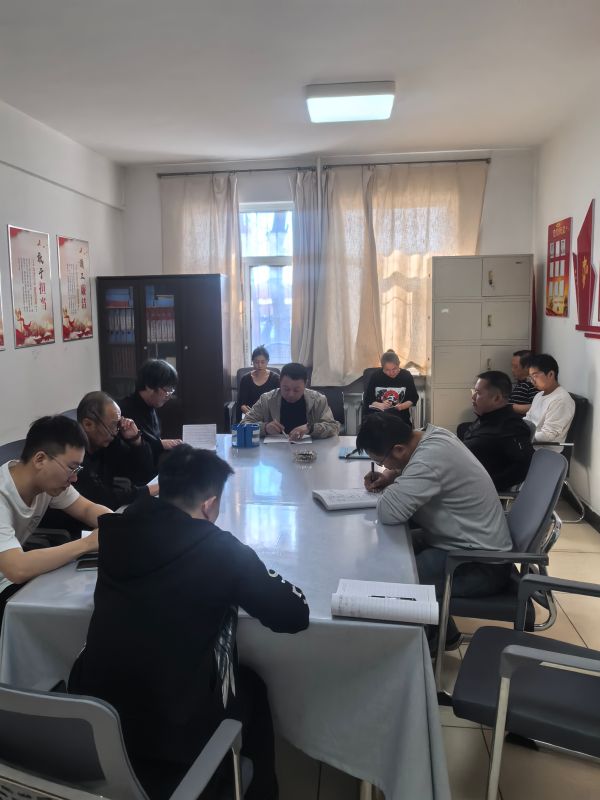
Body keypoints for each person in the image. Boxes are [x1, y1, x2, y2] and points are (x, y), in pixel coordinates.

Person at [68, 444, 309, 800]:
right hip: (175, 735)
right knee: (252, 687)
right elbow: (293, 614)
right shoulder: (219, 549)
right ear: (210, 504)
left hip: (98, 723)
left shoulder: (116, 532)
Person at [357, 413, 512, 650]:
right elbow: (413, 471)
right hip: (460, 542)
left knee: (394, 576)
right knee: (384, 556)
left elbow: (389, 512)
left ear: (399, 449)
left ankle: (421, 648)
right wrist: (391, 475)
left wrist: (396, 484)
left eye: (382, 462)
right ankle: (443, 634)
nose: (384, 467)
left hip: (479, 563)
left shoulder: (428, 460)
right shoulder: (432, 436)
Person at [0, 416, 111, 626]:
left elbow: (87, 509)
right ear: (40, 459)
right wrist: (87, 543)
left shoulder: (47, 483)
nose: (74, 478)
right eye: (72, 468)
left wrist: (115, 524)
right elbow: (17, 568)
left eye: (78, 470)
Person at [75, 391, 157, 509]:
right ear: (88, 424)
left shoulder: (109, 442)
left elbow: (143, 473)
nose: (115, 432)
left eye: (118, 425)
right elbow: (102, 498)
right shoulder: (74, 455)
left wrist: (135, 440)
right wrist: (149, 490)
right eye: (113, 425)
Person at [457, 371, 534, 490]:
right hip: (460, 474)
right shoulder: (486, 417)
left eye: (478, 393)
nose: (473, 397)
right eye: (474, 392)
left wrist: (486, 485)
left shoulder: (511, 427)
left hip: (472, 489)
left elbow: (523, 467)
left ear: (497, 398)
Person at [243, 362, 340, 440]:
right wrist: (265, 428)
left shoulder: (318, 400)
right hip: (275, 452)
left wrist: (310, 428)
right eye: (286, 389)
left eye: (296, 390)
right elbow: (243, 425)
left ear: (306, 384)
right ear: (280, 382)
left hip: (310, 452)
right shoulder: (266, 400)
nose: (291, 394)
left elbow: (334, 427)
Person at [120, 359, 182, 465]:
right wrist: (160, 444)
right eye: (167, 389)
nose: (169, 395)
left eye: (172, 390)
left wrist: (162, 444)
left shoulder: (151, 406)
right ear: (149, 386)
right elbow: (128, 451)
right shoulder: (125, 410)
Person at [524, 353, 575, 451]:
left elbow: (547, 435)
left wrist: (523, 436)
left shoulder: (561, 400)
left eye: (535, 376)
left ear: (551, 374)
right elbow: (528, 419)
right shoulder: (539, 395)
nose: (532, 381)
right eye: (530, 377)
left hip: (545, 451)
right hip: (531, 444)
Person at [362, 350, 419, 427]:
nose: (391, 373)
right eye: (387, 370)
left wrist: (402, 406)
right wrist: (380, 405)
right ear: (382, 368)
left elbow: (413, 398)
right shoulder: (376, 376)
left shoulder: (406, 376)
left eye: (394, 369)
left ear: (399, 365)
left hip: (400, 418)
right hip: (379, 418)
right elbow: (368, 399)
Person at [236, 345, 280, 422]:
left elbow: (279, 403)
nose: (259, 365)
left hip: (270, 417)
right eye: (256, 362)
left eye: (263, 362)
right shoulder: (245, 379)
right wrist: (252, 415)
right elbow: (242, 404)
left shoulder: (276, 379)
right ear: (252, 362)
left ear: (267, 361)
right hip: (250, 416)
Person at [509, 349, 538, 415]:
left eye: (515, 367)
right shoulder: (521, 383)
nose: (512, 370)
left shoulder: (533, 384)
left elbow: (538, 407)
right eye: (512, 366)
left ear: (527, 367)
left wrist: (511, 407)